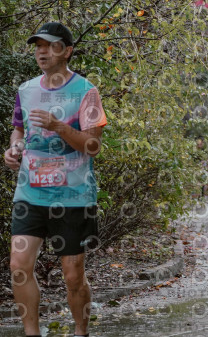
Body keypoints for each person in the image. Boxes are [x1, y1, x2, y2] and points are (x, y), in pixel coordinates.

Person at [3, 22, 107, 337]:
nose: (42, 52)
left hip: (73, 196)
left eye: (49, 45)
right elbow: (19, 131)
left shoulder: (86, 91)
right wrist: (13, 149)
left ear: (67, 50)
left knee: (73, 275)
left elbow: (93, 146)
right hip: (30, 195)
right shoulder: (26, 90)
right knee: (19, 267)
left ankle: (80, 332)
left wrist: (59, 126)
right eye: (38, 46)